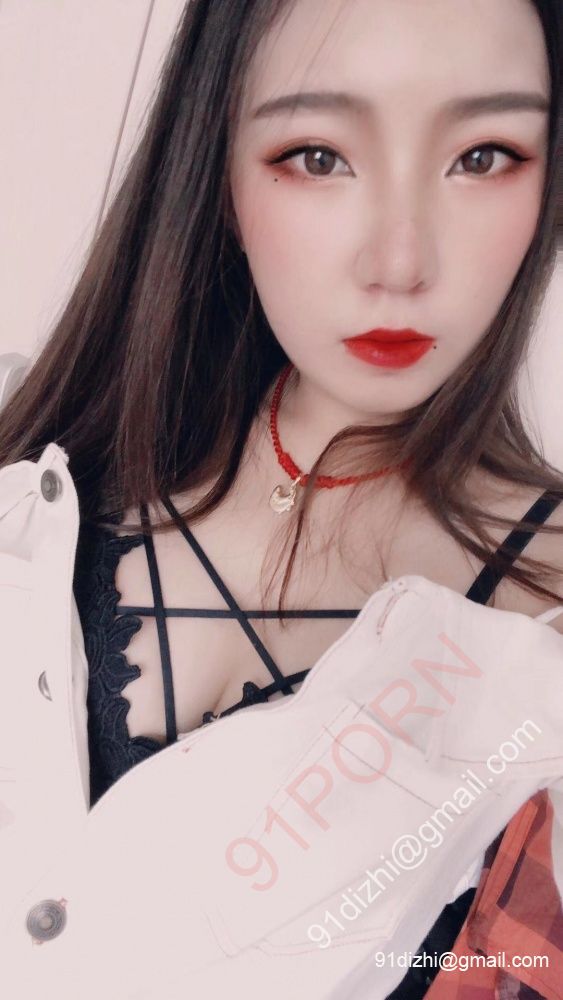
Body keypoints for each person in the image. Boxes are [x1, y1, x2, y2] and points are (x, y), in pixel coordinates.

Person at [0, 1, 562, 997]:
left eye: (481, 157)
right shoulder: (34, 475)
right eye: (317, 155)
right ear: (216, 171)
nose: (399, 263)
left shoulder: (542, 631)